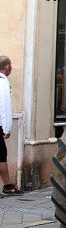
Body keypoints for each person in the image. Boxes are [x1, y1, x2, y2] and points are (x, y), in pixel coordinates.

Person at [0, 56, 23, 195]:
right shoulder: (2, 82)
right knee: (2, 154)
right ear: (7, 66)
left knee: (1, 154)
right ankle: (8, 187)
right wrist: (6, 127)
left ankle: (8, 185)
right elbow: (4, 107)